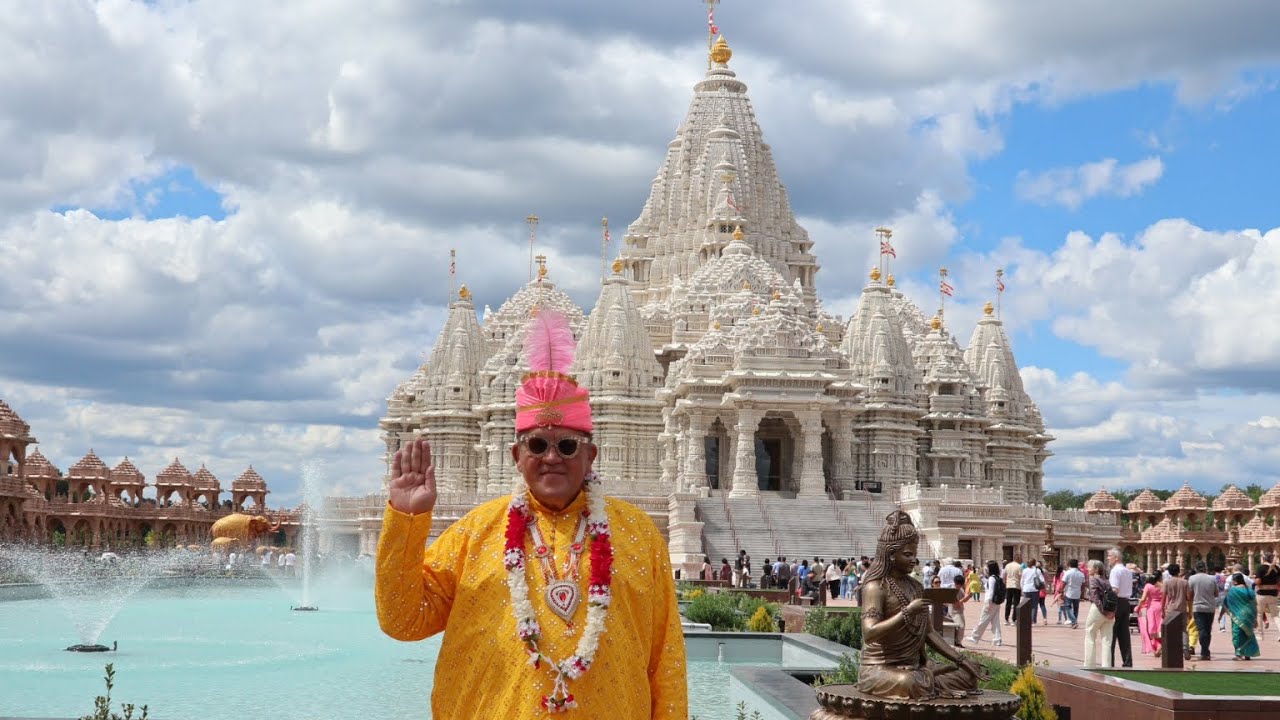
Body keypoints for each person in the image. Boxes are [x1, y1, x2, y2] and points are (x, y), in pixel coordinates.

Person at [374, 311, 688, 718]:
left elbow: (667, 661)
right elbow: (402, 620)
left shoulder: (639, 534)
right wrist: (406, 521)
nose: (552, 457)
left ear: (591, 455)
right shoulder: (475, 532)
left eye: (568, 446)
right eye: (537, 445)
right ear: (516, 456)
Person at [857, 511, 985, 700]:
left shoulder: (915, 586)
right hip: (880, 667)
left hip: (914, 665)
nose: (913, 560)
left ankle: (928, 678)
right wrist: (907, 612)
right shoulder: (876, 587)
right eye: (907, 555)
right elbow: (869, 633)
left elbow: (929, 633)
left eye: (914, 555)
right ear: (891, 554)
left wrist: (961, 659)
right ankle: (928, 679)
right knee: (910, 682)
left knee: (967, 676)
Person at [1082, 559, 1116, 668]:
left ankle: (1089, 664)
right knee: (1107, 640)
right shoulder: (1106, 580)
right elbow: (1113, 596)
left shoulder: (1093, 579)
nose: (1088, 569)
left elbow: (1095, 597)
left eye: (1090, 567)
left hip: (1098, 610)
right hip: (1110, 611)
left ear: (1096, 569)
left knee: (1090, 634)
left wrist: (1103, 612)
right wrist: (1112, 612)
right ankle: (1106, 665)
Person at [1219, 572, 1260, 661]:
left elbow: (1226, 603)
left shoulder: (1233, 591)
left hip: (1237, 616)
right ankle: (1248, 654)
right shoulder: (1249, 590)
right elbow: (1255, 605)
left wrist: (1221, 615)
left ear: (1236, 581)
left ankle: (1239, 654)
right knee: (1248, 634)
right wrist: (1255, 619)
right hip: (1249, 616)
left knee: (1237, 634)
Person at [966, 561, 1004, 647]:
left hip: (990, 602)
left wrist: (988, 603)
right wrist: (982, 578)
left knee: (983, 620)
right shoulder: (996, 577)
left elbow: (990, 591)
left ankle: (975, 637)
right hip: (996, 603)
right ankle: (997, 639)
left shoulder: (992, 578)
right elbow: (988, 586)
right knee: (995, 622)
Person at [1107, 548, 1134, 667]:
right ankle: (1127, 661)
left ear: (1116, 558)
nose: (1108, 558)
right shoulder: (1127, 571)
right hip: (1126, 603)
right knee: (1124, 634)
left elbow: (1115, 589)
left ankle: (1109, 662)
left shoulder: (1115, 571)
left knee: (1111, 634)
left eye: (1110, 556)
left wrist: (1109, 606)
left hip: (1116, 603)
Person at [1188, 561, 1219, 661]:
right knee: (1207, 630)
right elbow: (1216, 593)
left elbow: (1189, 595)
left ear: (1196, 568)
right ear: (1206, 568)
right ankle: (1205, 651)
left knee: (1201, 630)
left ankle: (1204, 652)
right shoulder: (1212, 578)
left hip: (1198, 607)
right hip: (1210, 607)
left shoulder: (1192, 578)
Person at [1135, 574, 1165, 656]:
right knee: (1159, 628)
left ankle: (1157, 646)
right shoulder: (1163, 586)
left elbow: (1143, 599)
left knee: (1152, 628)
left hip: (1151, 608)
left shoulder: (1148, 586)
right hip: (1161, 607)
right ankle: (1159, 645)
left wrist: (1138, 608)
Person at [1255, 552, 1278, 641]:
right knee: (1275, 615)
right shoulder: (1276, 568)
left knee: (1260, 614)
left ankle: (1260, 635)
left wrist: (1256, 583)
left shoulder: (1261, 568)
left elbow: (1258, 581)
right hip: (1273, 594)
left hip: (1262, 594)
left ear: (1263, 558)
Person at [1020, 559, 1045, 625]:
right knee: (1034, 605)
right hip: (1035, 589)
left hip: (1026, 589)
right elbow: (1042, 580)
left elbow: (1022, 580)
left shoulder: (1024, 570)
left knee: (1026, 605)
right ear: (1034, 563)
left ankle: (1026, 619)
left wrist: (1022, 588)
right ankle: (1033, 620)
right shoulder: (1037, 570)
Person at [1061, 559, 1085, 629]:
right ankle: (1074, 622)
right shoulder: (1081, 574)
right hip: (1077, 593)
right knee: (1076, 608)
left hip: (1069, 592)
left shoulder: (1068, 573)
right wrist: (1082, 593)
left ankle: (1074, 622)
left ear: (1070, 564)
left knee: (1068, 607)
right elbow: (1083, 584)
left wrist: (1061, 591)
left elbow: (1064, 582)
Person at [1003, 555, 1023, 625]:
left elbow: (1004, 576)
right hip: (1016, 585)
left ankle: (1006, 619)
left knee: (1008, 602)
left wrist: (1005, 584)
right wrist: (1022, 586)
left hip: (1009, 585)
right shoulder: (1019, 566)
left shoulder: (1007, 565)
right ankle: (1014, 619)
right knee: (1016, 603)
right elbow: (1020, 577)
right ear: (1018, 559)